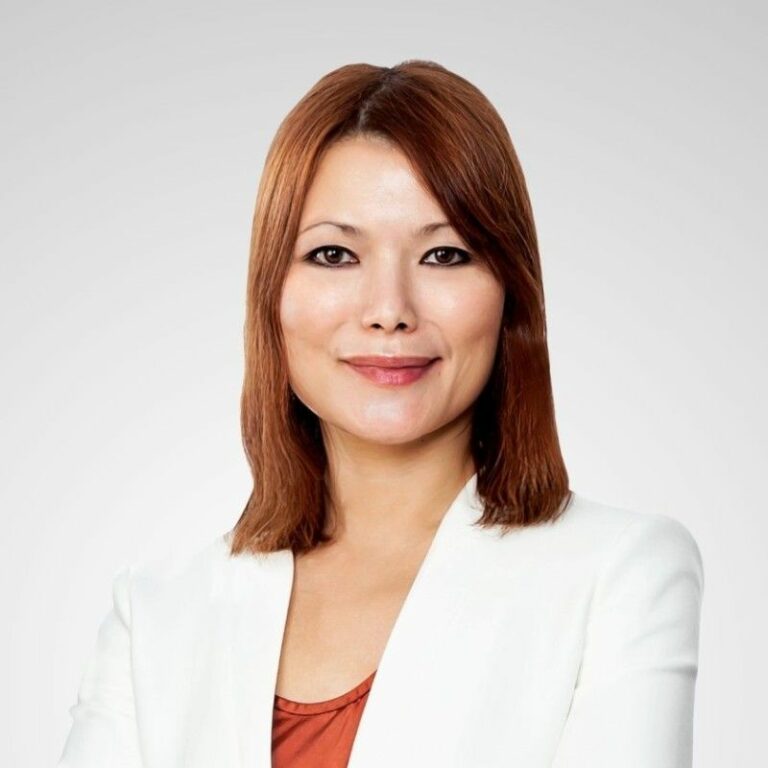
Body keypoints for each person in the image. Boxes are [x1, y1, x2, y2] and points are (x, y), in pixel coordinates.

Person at [58, 60, 704, 768]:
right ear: (272, 295)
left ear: (509, 295)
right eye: (334, 254)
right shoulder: (155, 615)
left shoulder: (620, 574)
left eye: (445, 254)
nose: (389, 310)